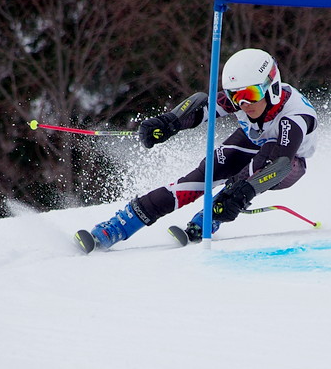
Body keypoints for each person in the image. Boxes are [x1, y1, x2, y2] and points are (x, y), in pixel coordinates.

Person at [76, 47, 318, 252]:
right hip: (254, 141)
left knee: (249, 174)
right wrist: (169, 122)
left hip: (289, 163)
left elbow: (282, 163)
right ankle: (121, 225)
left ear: (271, 86)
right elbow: (203, 105)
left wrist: (245, 191)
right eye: (237, 97)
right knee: (206, 173)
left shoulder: (293, 117)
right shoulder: (244, 101)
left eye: (252, 94)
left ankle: (212, 215)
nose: (245, 104)